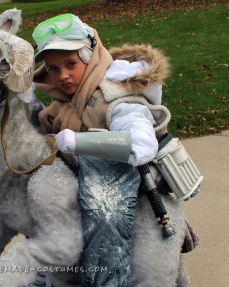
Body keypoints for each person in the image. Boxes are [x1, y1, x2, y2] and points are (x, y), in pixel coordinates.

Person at [32, 13, 164, 287]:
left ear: (90, 57)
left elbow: (141, 145)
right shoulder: (65, 101)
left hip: (125, 182)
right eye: (54, 69)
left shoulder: (117, 97)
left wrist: (78, 142)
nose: (63, 76)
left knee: (103, 200)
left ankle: (108, 279)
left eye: (71, 64)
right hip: (77, 179)